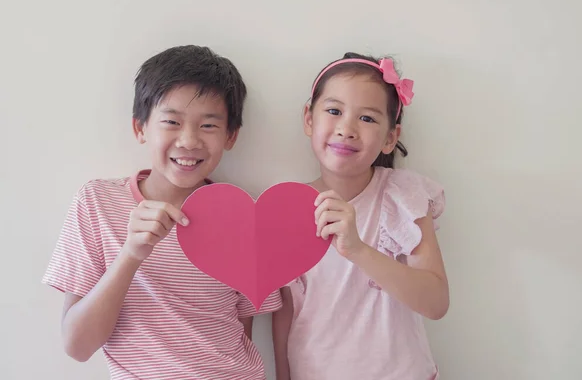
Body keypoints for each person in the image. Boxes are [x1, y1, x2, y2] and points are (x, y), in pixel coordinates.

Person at [42, 45, 282, 379]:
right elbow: (77, 346)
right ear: (140, 128)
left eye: (209, 126)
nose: (188, 140)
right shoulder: (97, 202)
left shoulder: (244, 215)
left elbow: (242, 334)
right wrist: (130, 254)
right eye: (171, 121)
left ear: (231, 136)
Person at [272, 52, 449, 380]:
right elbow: (284, 309)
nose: (347, 129)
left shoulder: (403, 196)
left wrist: (358, 249)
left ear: (390, 138)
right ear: (309, 119)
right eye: (334, 111)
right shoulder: (286, 207)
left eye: (367, 118)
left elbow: (436, 303)